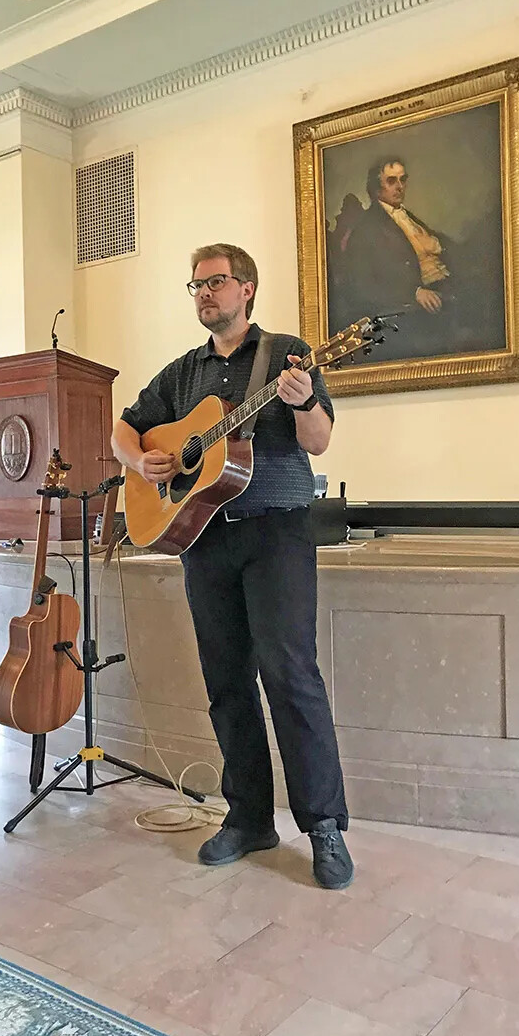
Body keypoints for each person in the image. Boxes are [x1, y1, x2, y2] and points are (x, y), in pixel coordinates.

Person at [111, 244, 353, 890]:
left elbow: (318, 439)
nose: (203, 294)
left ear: (246, 287)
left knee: (289, 673)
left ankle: (323, 826)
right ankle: (248, 816)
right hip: (202, 539)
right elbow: (124, 428)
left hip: (275, 533)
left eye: (214, 282)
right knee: (224, 681)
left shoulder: (287, 353)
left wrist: (301, 401)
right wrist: (142, 462)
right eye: (194, 285)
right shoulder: (181, 373)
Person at [334, 157, 504, 358]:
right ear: (375, 187)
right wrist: (413, 293)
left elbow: (437, 246)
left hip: (449, 283)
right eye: (391, 181)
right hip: (415, 305)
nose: (399, 187)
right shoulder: (366, 230)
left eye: (402, 179)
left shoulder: (406, 216)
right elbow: (362, 286)